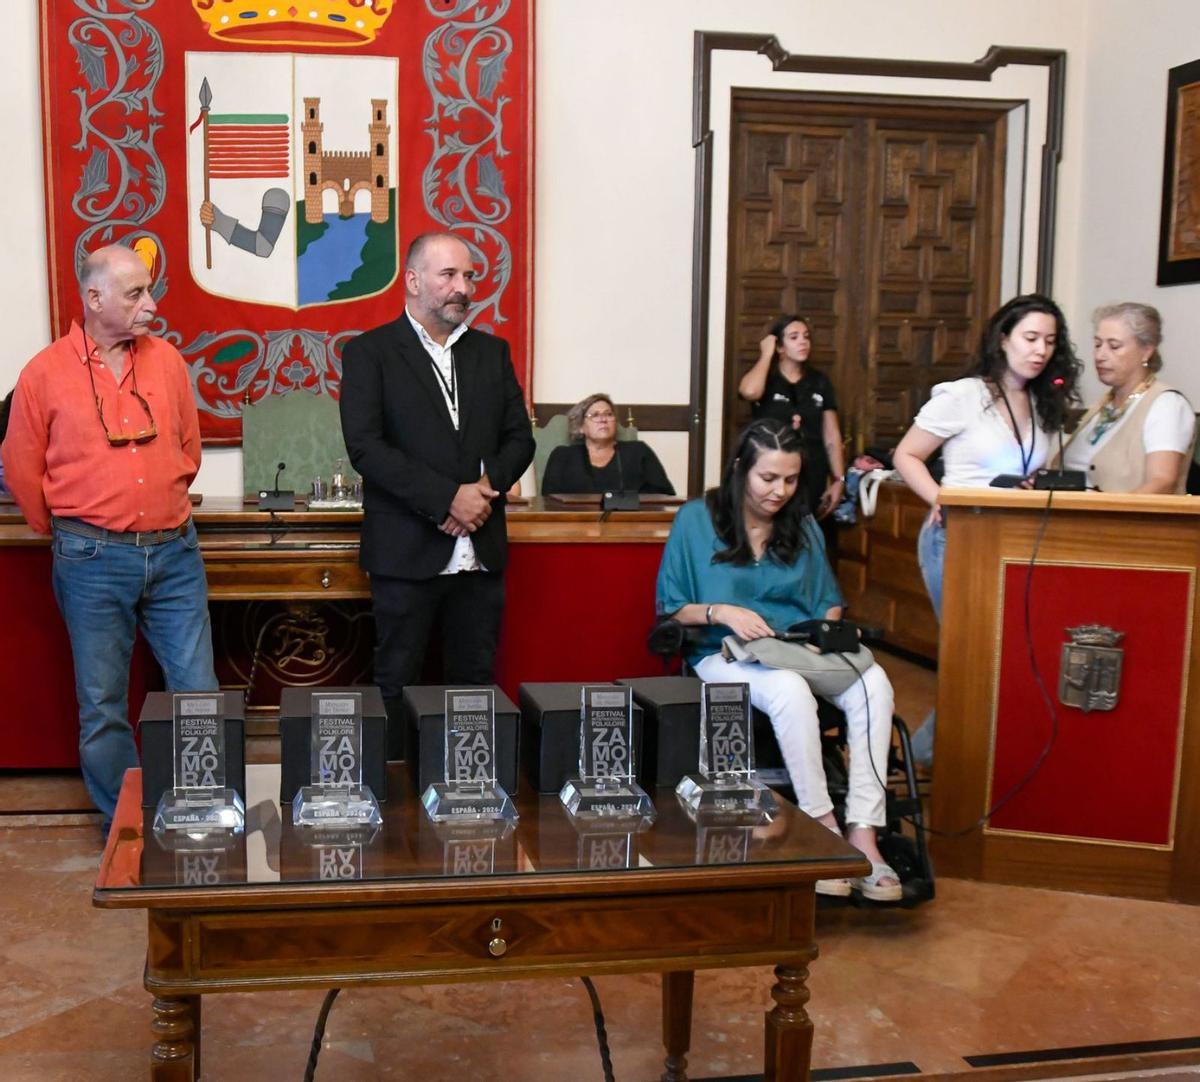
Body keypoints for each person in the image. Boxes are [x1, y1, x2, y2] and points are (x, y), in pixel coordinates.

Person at [0, 244, 217, 828]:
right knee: (102, 705)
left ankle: (199, 812)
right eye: (135, 294)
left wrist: (154, 504)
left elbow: (187, 451)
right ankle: (127, 827)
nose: (151, 303)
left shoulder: (168, 361)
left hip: (175, 551)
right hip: (90, 557)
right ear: (94, 299)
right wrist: (69, 531)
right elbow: (21, 468)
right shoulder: (43, 374)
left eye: (149, 290)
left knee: (198, 692)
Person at [656, 418, 900, 901]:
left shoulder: (802, 523)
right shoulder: (696, 519)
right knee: (788, 688)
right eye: (768, 478)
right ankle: (821, 825)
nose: (780, 491)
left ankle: (865, 832)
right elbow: (671, 608)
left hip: (795, 649)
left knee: (875, 681)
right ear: (741, 469)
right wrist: (721, 611)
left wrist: (819, 636)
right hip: (720, 652)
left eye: (790, 480)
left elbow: (828, 600)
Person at [339, 232, 535, 733]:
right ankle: (398, 804)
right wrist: (449, 499)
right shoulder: (370, 353)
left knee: (473, 686)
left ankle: (468, 801)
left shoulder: (492, 352)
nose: (463, 287)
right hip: (406, 551)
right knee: (397, 684)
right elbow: (366, 448)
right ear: (412, 281)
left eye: (469, 276)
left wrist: (482, 492)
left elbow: (520, 439)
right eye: (448, 275)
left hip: (481, 552)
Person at [893, 294, 1081, 763]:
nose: (1039, 350)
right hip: (957, 534)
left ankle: (958, 759)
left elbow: (1037, 464)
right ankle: (926, 761)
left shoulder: (1045, 402)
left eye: (1049, 341)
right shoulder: (965, 395)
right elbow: (906, 455)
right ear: (1003, 339)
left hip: (1016, 539)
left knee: (1004, 656)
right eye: (1030, 338)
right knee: (969, 654)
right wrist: (941, 497)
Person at [1055, 303, 1194, 493]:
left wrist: (1108, 520)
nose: (1100, 355)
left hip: (1122, 521)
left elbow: (1162, 482)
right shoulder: (1103, 405)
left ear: (1146, 351)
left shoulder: (1166, 405)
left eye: (1114, 346)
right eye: (1097, 344)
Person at [738, 315, 847, 524]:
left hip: (811, 471)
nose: (803, 342)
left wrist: (838, 479)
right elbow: (749, 391)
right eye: (794, 337)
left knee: (809, 533)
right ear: (780, 346)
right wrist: (766, 354)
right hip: (773, 471)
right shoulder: (766, 378)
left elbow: (832, 436)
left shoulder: (819, 381)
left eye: (806, 337)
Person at [540, 392, 675, 497]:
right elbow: (548, 501)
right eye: (595, 415)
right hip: (576, 526)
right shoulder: (563, 456)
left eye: (609, 414)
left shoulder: (638, 452)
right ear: (580, 426)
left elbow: (665, 495)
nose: (603, 419)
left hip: (630, 525)